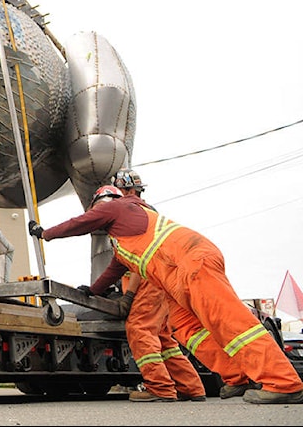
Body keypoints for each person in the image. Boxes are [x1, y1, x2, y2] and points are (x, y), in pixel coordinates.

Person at [29, 168, 303, 404]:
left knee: (229, 322)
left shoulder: (120, 206)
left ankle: (284, 384)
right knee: (187, 330)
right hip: (175, 279)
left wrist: (45, 233)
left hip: (191, 262)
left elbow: (82, 223)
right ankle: (237, 377)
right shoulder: (123, 239)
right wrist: (93, 290)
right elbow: (115, 268)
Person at [89, 182, 206, 403]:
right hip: (159, 283)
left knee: (139, 329)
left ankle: (160, 389)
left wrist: (129, 296)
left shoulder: (124, 224)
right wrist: (95, 289)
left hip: (147, 285)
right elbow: (117, 267)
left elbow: (135, 266)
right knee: (163, 339)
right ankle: (191, 388)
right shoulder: (140, 215)